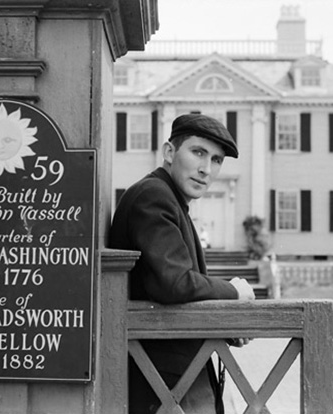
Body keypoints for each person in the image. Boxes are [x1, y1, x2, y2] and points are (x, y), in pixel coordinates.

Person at [109, 114, 255, 413]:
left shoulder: (170, 199)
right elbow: (174, 282)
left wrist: (228, 322)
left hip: (178, 370)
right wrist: (234, 292)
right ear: (169, 152)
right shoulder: (154, 196)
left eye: (216, 160)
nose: (206, 168)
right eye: (198, 152)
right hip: (165, 378)